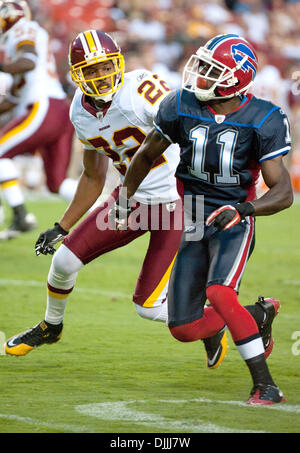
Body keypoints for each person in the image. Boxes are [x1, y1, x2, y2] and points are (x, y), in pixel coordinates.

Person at [5, 31, 280, 374]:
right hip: (130, 201)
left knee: (150, 308)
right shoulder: (79, 110)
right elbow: (92, 176)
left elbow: (193, 120)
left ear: (118, 62)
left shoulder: (142, 92)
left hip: (175, 204)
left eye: (105, 67)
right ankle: (51, 327)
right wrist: (62, 225)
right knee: (63, 262)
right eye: (90, 71)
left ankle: (244, 316)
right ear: (75, 74)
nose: (100, 77)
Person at [111, 34, 293, 405]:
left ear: (236, 78)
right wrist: (123, 199)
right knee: (183, 328)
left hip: (232, 219)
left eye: (212, 70)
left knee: (219, 292)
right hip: (193, 216)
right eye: (203, 65)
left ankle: (265, 385)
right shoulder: (180, 104)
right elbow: (146, 155)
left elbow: (283, 193)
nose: (201, 75)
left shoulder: (265, 117)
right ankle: (258, 315)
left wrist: (245, 210)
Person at [0, 1, 77, 240]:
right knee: (57, 183)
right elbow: (13, 97)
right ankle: (109, 211)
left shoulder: (23, 29)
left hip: (43, 107)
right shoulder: (18, 42)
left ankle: (20, 215)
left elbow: (29, 60)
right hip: (56, 109)